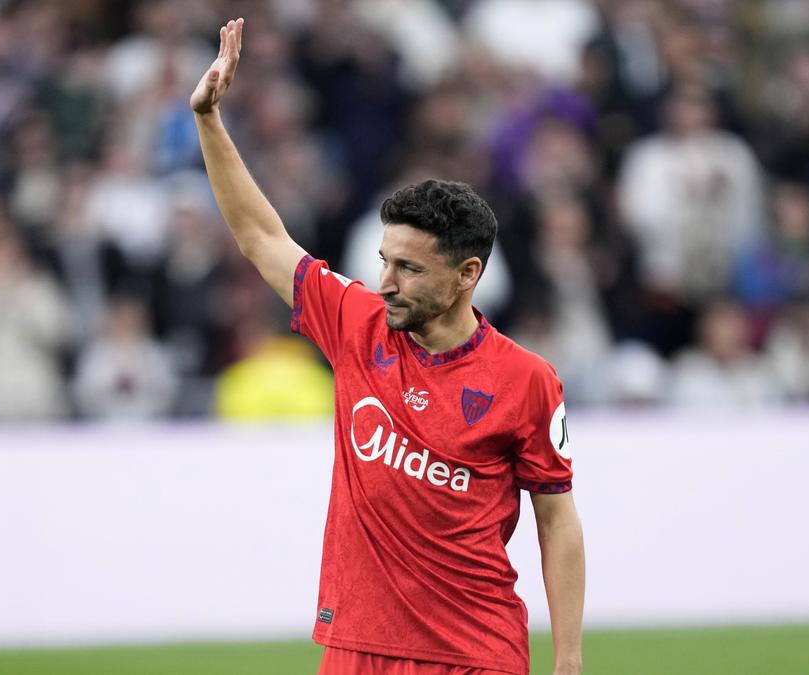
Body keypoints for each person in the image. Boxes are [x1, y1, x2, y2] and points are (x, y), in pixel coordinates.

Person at [190, 19, 584, 675]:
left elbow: (557, 520)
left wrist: (567, 659)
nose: (385, 281)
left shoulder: (527, 381)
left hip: (474, 655)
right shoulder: (356, 322)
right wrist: (208, 120)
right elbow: (261, 236)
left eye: (409, 268)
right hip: (355, 648)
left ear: (467, 276)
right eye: (385, 260)